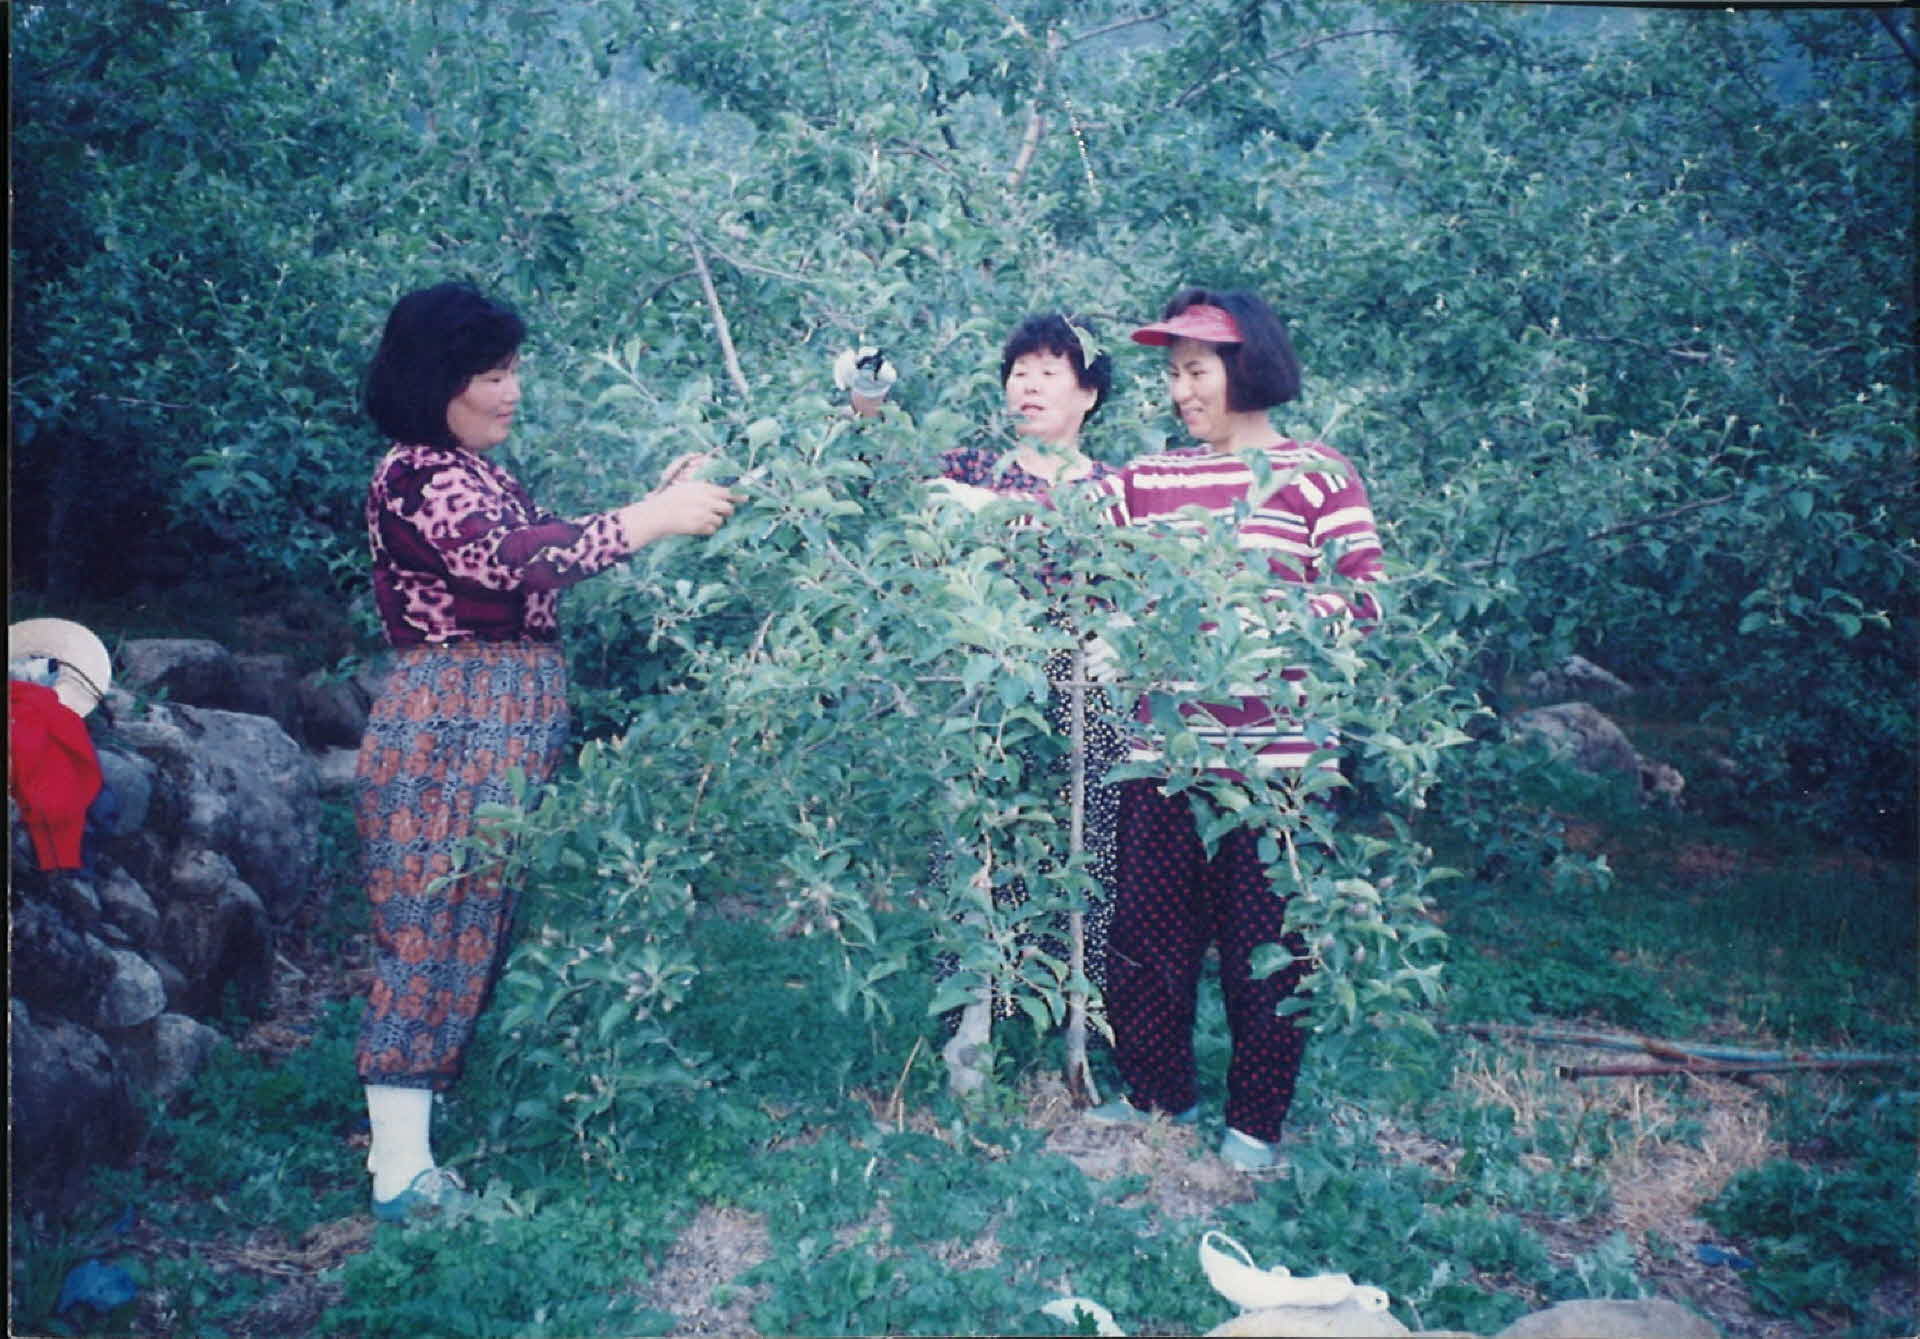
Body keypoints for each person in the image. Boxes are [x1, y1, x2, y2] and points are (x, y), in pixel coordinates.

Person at [353, 282, 737, 1222]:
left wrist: (656, 501)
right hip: (449, 723)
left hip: (498, 720)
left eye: (513, 370)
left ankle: (416, 1130)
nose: (512, 391)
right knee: (433, 914)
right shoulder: (417, 475)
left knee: (474, 913)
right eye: (492, 375)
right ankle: (397, 1167)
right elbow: (517, 560)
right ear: (437, 380)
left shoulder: (472, 470)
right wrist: (652, 518)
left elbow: (539, 546)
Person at [1086, 288, 1383, 1171]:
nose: (1180, 391)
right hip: (1161, 756)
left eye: (1196, 371)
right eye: (1173, 375)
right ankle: (1158, 1095)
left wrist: (1273, 619)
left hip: (1277, 764)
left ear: (1247, 367)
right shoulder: (1150, 480)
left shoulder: (1318, 474)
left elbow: (1363, 598)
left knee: (1272, 946)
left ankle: (1254, 1124)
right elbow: (1083, 556)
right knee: (1145, 935)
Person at [925, 314, 1127, 1063]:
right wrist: (865, 396)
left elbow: (1142, 580)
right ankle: (971, 1026)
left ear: (1089, 394)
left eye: (1049, 371)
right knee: (977, 843)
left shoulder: (1114, 488)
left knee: (1087, 845)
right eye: (1018, 371)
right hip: (989, 679)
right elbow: (879, 467)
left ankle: (1078, 1025)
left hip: (1084, 687)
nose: (1029, 385)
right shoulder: (969, 469)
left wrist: (1123, 631)